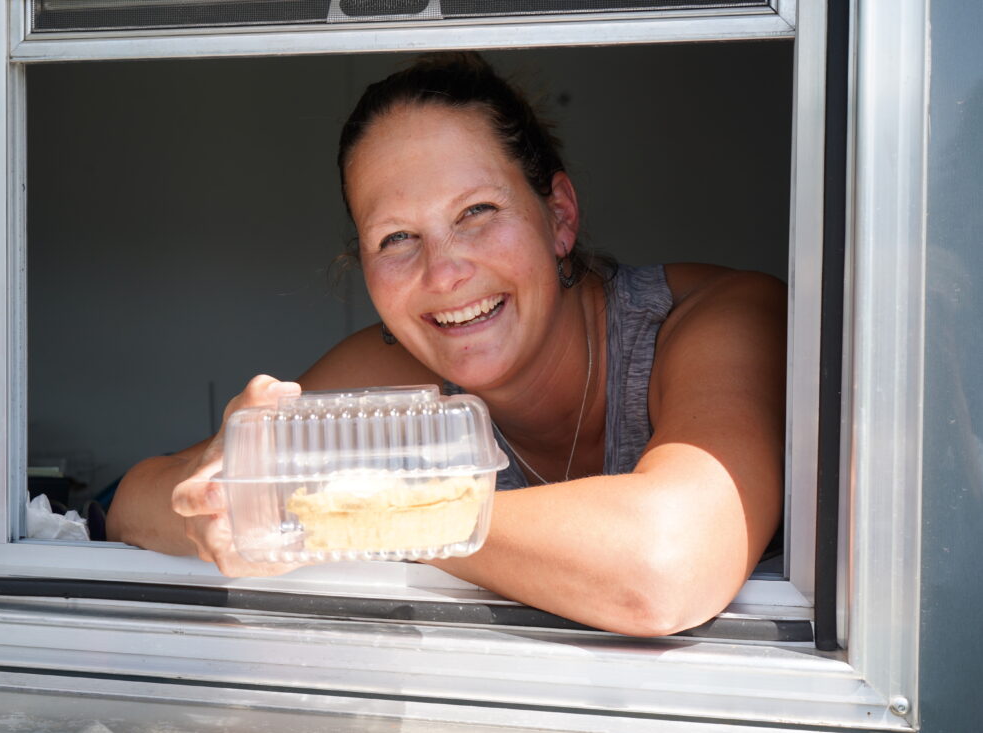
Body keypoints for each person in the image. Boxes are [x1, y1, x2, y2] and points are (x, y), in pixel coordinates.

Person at [106, 53, 785, 637]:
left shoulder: (714, 319)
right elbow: (135, 503)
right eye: (397, 238)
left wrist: (366, 514)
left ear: (559, 216)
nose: (443, 274)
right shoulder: (389, 368)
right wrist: (216, 505)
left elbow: (665, 565)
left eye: (476, 212)